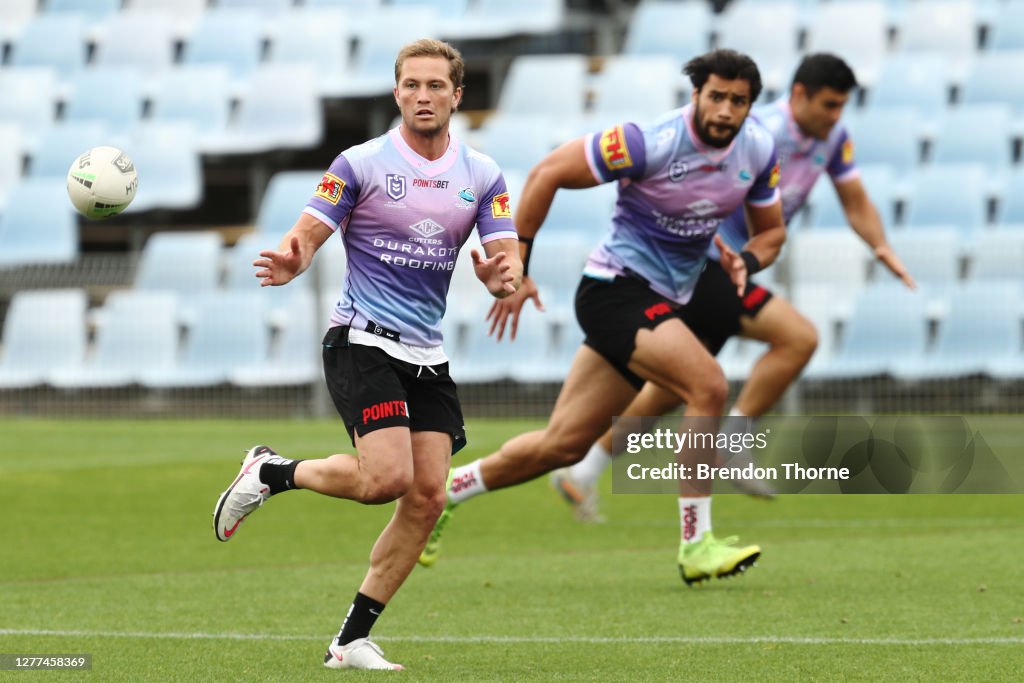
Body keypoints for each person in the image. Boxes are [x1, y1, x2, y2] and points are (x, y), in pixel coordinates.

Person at [419, 49, 787, 585]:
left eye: (739, 101)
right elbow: (547, 173)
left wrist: (748, 259)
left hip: (662, 301)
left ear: (751, 106)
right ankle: (696, 543)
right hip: (615, 290)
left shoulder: (758, 149)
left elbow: (772, 230)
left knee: (562, 445)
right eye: (717, 96)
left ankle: (443, 493)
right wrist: (518, 262)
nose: (726, 110)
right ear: (697, 95)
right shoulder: (648, 141)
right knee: (707, 384)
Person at [211, 39, 521, 671]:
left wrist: (503, 276)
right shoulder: (360, 163)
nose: (423, 96)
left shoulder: (482, 173)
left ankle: (350, 640)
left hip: (426, 352)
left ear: (457, 95)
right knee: (386, 481)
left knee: (428, 497)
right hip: (361, 337)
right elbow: (311, 228)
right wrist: (296, 255)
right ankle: (271, 472)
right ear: (397, 91)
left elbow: (505, 250)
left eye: (436, 86)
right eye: (412, 84)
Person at [550, 53, 917, 521]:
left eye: (841, 106)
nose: (835, 116)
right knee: (796, 337)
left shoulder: (834, 138)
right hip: (705, 265)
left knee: (680, 385)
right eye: (829, 105)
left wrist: (880, 246)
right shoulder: (754, 132)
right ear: (799, 95)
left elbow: (856, 200)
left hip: (735, 268)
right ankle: (732, 448)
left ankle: (586, 467)